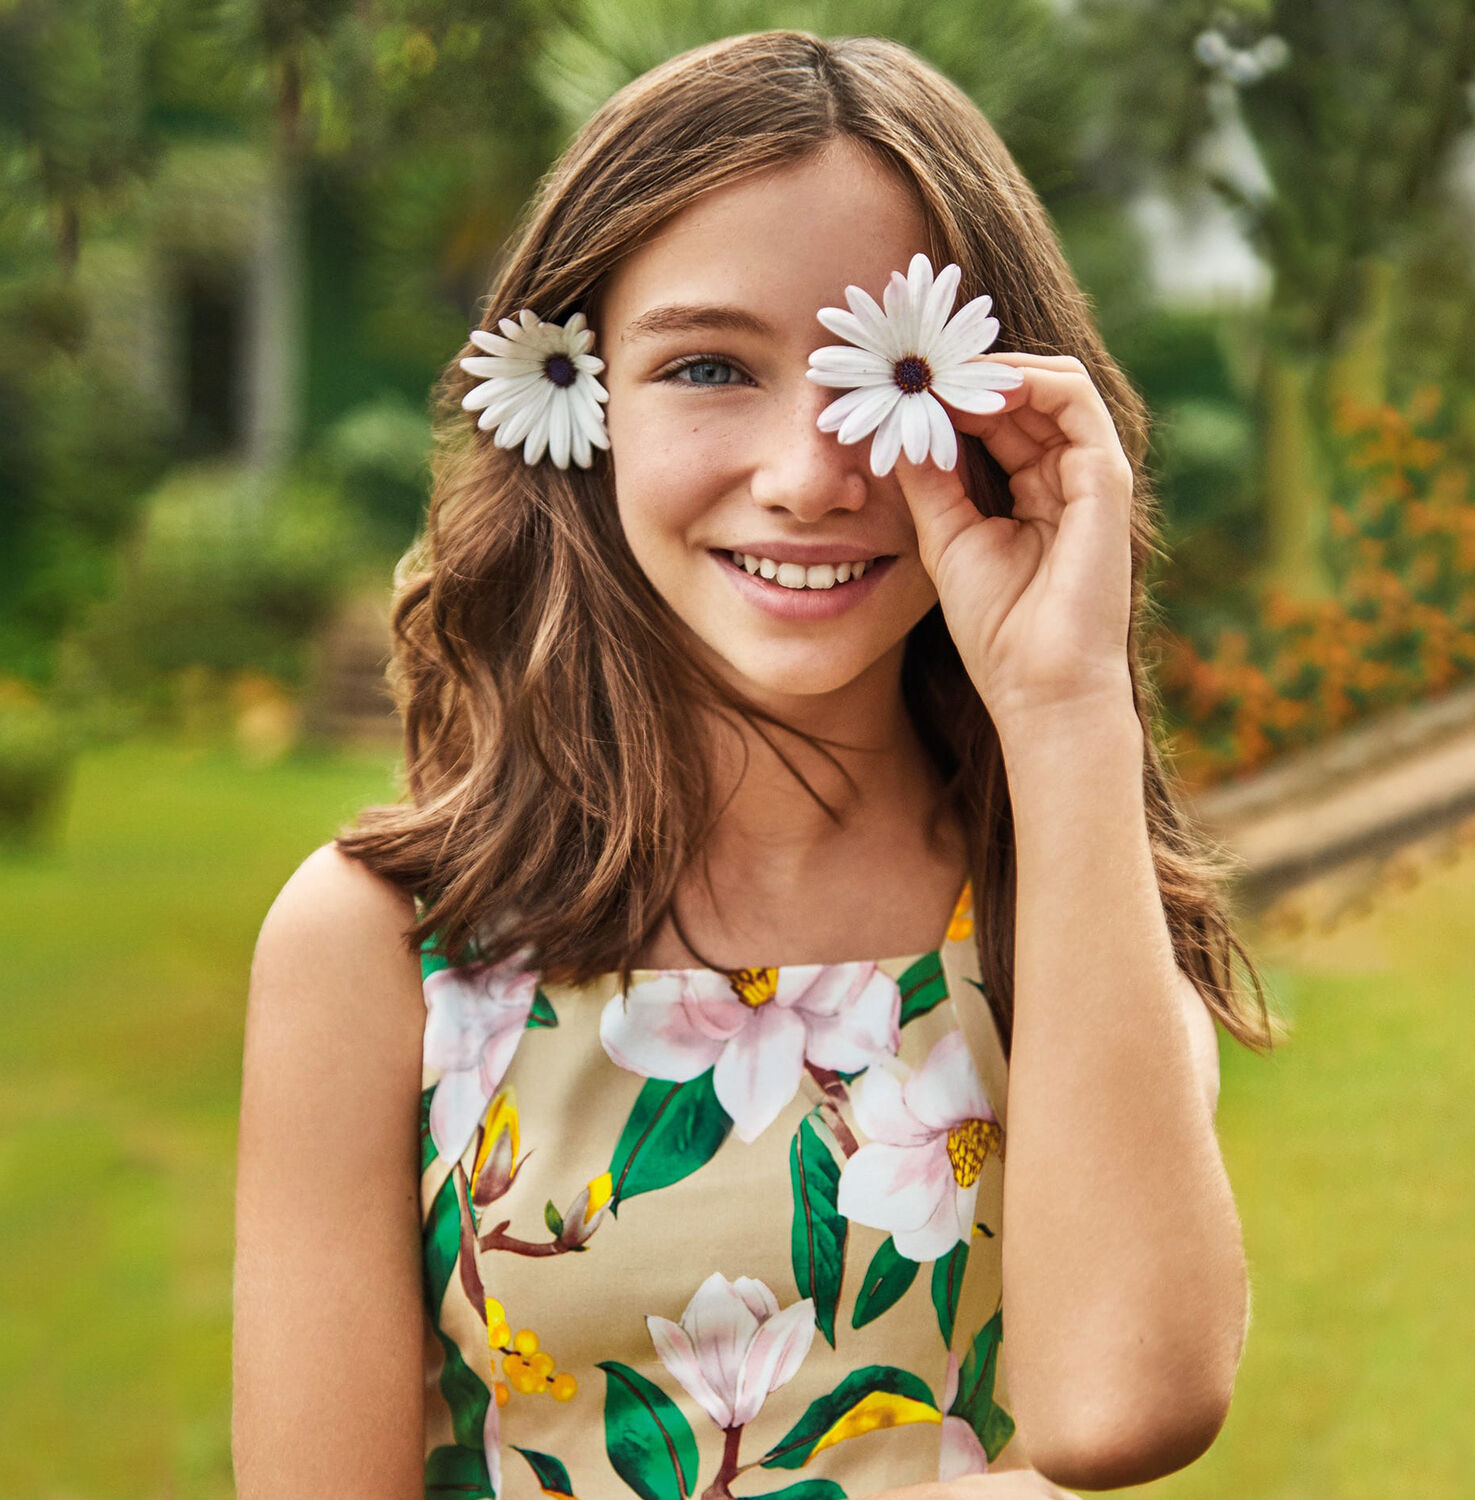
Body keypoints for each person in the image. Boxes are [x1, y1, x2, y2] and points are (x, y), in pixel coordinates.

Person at [232, 29, 1280, 1500]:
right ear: (577, 408)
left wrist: (1065, 707)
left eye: (889, 375)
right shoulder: (374, 951)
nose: (809, 470)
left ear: (997, 415)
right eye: (712, 365)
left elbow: (1123, 1413)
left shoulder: (1060, 906)